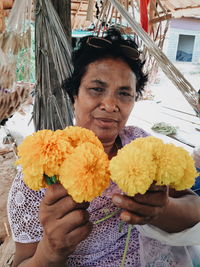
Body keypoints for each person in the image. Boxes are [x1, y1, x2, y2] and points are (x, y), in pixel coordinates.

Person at [7, 27, 200, 267]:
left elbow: (194, 206)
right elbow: (22, 262)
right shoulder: (41, 173)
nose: (110, 105)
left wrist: (163, 210)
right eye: (96, 89)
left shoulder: (141, 145)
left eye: (124, 93)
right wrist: (51, 251)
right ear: (74, 95)